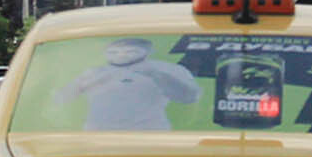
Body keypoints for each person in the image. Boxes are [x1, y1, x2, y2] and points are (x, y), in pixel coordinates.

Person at [51, 38, 200, 131]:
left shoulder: (166, 69)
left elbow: (189, 97)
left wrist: (157, 75)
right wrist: (81, 85)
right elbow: (59, 100)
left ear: (147, 51)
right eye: (115, 51)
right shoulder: (93, 72)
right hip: (98, 140)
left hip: (151, 138)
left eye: (131, 50)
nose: (122, 55)